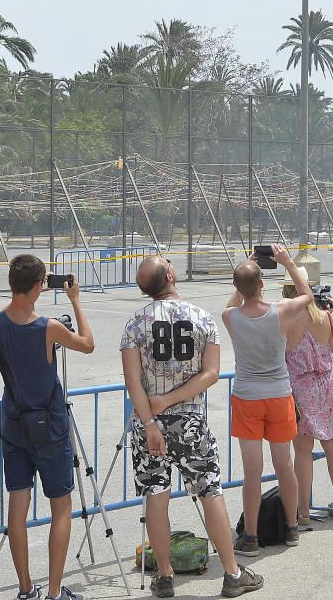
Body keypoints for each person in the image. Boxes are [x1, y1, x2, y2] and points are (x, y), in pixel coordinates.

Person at [121, 256, 263, 598]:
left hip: (148, 424)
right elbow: (211, 373)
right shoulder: (202, 318)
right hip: (190, 423)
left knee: (156, 495)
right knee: (209, 491)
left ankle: (165, 575)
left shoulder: (134, 325)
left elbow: (133, 384)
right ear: (170, 276)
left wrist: (153, 419)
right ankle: (231, 573)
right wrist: (172, 401)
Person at [0, 257, 94, 600]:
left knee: (18, 504)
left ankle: (25, 588)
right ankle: (53, 592)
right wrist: (76, 299)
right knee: (60, 506)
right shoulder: (48, 327)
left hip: (14, 421)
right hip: (49, 425)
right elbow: (88, 343)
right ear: (39, 287)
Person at [223, 245, 312, 554]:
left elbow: (235, 300)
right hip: (279, 393)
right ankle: (291, 527)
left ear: (237, 287)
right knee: (284, 464)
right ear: (262, 284)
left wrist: (243, 272)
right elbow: (307, 295)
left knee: (252, 472)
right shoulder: (281, 310)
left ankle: (250, 536)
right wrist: (287, 263)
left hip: (247, 396)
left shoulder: (230, 316)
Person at [280, 267, 333, 525]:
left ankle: (303, 511)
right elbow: (330, 349)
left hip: (300, 389)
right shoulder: (325, 317)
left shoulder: (286, 320)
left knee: (303, 451)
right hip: (327, 385)